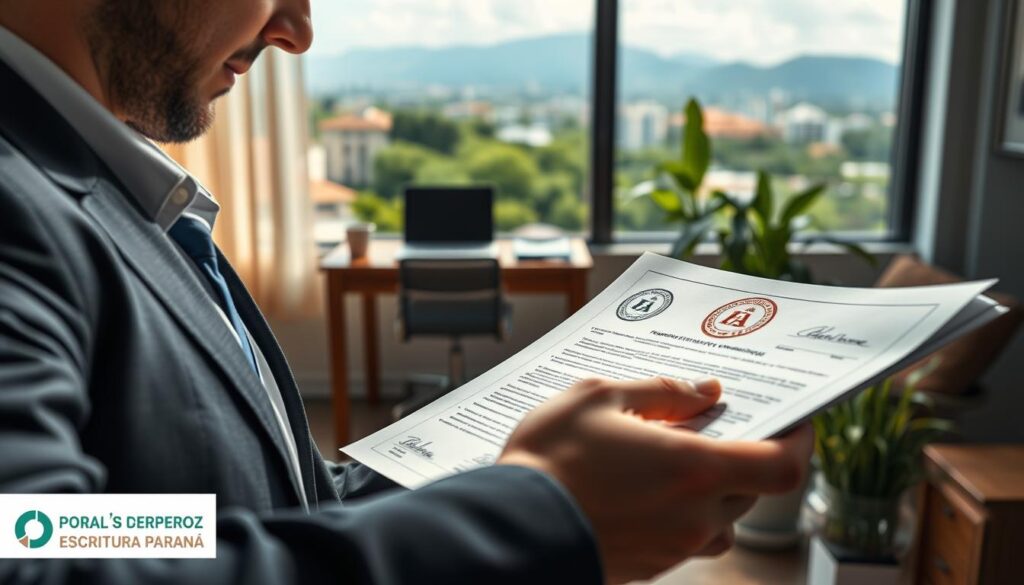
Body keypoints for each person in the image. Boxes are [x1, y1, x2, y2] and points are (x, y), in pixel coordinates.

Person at [0, 1, 813, 583]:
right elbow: (38, 554)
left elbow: (162, 522)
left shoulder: (120, 193)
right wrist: (537, 516)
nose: (297, 29)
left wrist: (521, 448)